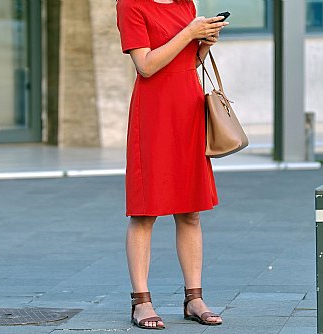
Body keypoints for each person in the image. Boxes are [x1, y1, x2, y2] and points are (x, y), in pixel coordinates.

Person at [116, 0, 228, 330]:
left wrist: (203, 45)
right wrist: (189, 31)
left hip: (188, 107)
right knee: (145, 210)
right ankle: (141, 302)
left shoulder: (185, 4)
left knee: (191, 210)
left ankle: (195, 299)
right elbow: (146, 65)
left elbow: (188, 62)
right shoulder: (130, 5)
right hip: (154, 111)